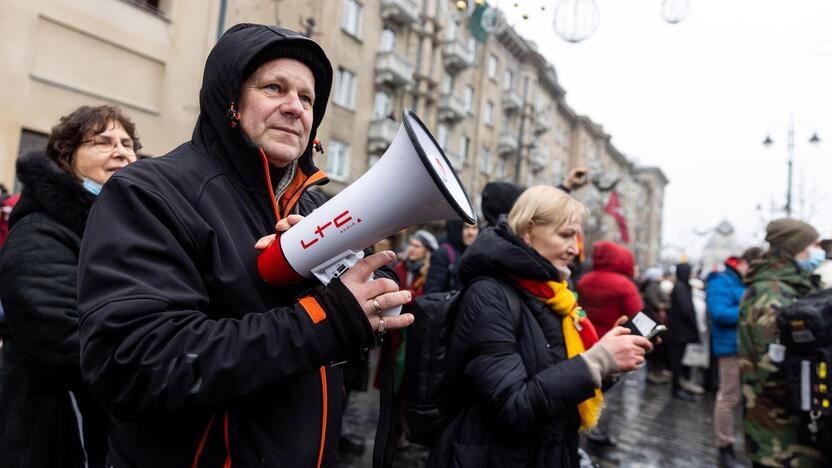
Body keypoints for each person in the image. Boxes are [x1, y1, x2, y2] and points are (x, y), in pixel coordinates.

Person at [76, 25, 413, 467]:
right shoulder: (150, 193)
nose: (295, 108)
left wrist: (354, 275)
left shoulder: (314, 205)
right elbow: (133, 364)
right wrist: (324, 320)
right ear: (229, 100)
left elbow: (369, 288)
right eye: (275, 88)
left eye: (308, 99)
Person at [428, 186, 652, 468]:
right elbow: (513, 406)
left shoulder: (551, 293)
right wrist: (596, 360)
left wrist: (607, 364)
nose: (575, 249)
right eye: (565, 235)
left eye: (577, 237)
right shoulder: (489, 294)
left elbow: (558, 384)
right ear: (528, 231)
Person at [0, 105, 139, 468]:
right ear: (67, 158)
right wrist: (155, 367)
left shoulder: (133, 228)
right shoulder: (38, 232)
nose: (121, 151)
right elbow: (64, 340)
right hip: (56, 432)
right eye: (102, 142)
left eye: (126, 143)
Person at [739, 218, 825, 467]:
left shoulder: (785, 287)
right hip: (780, 440)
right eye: (815, 245)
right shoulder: (773, 295)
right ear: (796, 248)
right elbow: (773, 371)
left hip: (781, 433)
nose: (819, 252)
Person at [576, 240, 644, 447]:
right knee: (611, 393)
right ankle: (598, 431)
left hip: (585, 341)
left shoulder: (584, 280)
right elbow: (638, 316)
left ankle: (582, 427)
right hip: (614, 346)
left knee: (585, 388)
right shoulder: (624, 285)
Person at [707, 248, 764, 468]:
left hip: (747, 347)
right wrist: (751, 311)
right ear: (742, 263)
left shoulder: (740, 282)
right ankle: (724, 446)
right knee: (728, 397)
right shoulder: (721, 281)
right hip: (730, 348)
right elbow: (719, 313)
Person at [386, 229, 437, 449]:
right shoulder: (399, 267)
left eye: (417, 246)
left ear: (425, 251)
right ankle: (390, 426)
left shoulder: (430, 273)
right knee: (393, 382)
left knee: (410, 383)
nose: (411, 249)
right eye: (411, 244)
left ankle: (403, 428)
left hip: (417, 336)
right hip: (396, 335)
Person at [669, 263, 700, 401]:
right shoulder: (681, 287)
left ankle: (677, 386)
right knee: (677, 360)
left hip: (679, 330)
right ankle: (676, 388)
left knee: (678, 359)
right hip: (679, 331)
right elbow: (686, 309)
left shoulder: (680, 286)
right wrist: (694, 324)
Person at [424, 220, 478, 293]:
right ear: (456, 229)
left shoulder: (477, 253)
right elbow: (433, 291)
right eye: (466, 227)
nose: (471, 232)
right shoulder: (442, 254)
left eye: (474, 228)